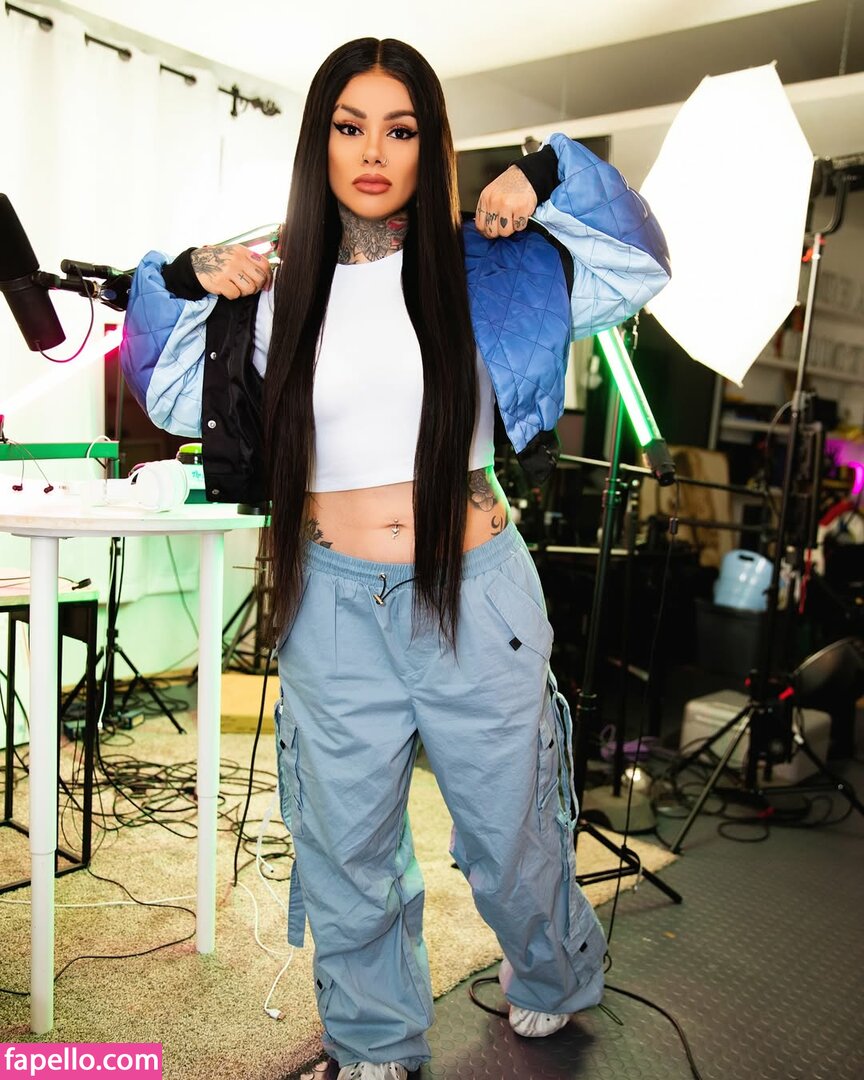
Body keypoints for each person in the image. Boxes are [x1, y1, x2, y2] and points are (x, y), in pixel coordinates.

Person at [121, 37, 670, 1080]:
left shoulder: (492, 267)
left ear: (431, 146)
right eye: (350, 126)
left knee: (512, 834)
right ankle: (375, 1037)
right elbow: (164, 385)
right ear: (319, 142)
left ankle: (552, 974)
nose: (373, 151)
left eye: (401, 129)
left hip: (477, 592)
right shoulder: (269, 294)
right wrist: (189, 276)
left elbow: (637, 262)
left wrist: (547, 175)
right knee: (346, 847)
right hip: (331, 603)